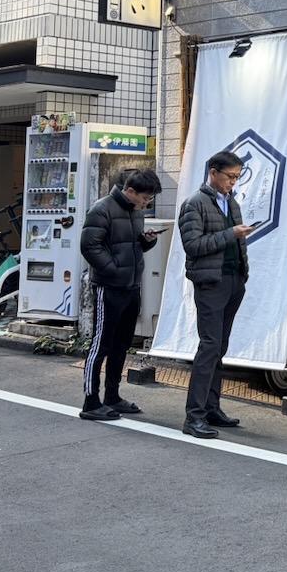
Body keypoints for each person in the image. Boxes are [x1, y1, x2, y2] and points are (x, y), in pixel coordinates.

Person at [178, 150, 258, 438]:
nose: (233, 182)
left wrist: (243, 274)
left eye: (237, 177)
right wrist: (231, 234)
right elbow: (192, 245)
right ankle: (194, 416)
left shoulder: (232, 202)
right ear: (213, 172)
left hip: (233, 280)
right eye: (230, 176)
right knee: (210, 346)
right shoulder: (194, 204)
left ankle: (211, 408)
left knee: (219, 347)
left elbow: (235, 242)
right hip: (211, 282)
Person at [78, 168, 163, 421]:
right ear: (131, 191)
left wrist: (147, 241)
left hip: (132, 286)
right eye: (145, 198)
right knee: (101, 344)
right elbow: (89, 246)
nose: (147, 203)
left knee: (122, 344)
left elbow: (132, 245)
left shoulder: (136, 211)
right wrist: (113, 270)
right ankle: (91, 402)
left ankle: (112, 396)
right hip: (109, 287)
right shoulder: (101, 208)